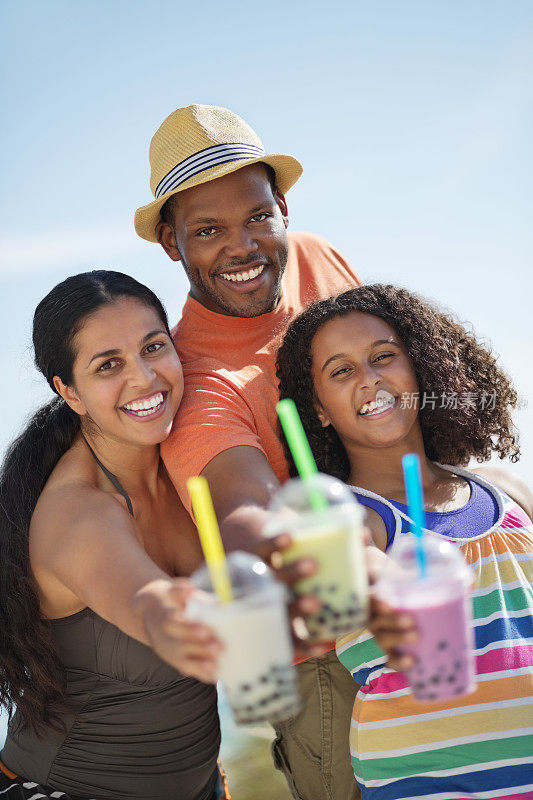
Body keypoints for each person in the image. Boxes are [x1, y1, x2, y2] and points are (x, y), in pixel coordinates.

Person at [134, 104, 363, 800]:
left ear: (282, 207)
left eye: (257, 217)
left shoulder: (319, 257)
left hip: (425, 600)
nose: (241, 246)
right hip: (325, 668)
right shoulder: (195, 379)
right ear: (172, 244)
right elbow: (248, 518)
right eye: (207, 231)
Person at [276, 283, 533, 800]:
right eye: (341, 371)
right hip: (426, 782)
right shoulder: (345, 514)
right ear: (319, 409)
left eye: (384, 357)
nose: (369, 380)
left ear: (420, 372)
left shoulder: (506, 490)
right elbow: (351, 568)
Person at [0, 271, 228, 800]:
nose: (145, 378)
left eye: (154, 347)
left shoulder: (185, 467)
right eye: (109, 365)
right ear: (70, 392)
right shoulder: (80, 516)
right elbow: (156, 611)